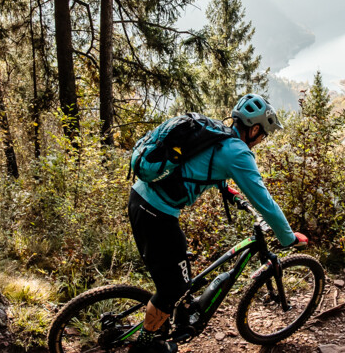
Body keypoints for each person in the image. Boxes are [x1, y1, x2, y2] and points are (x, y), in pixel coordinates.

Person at [127, 94, 307, 353]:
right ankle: (143, 346)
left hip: (141, 198)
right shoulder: (239, 153)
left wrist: (228, 190)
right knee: (174, 286)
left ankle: (172, 314)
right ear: (254, 129)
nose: (261, 140)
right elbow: (265, 202)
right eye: (263, 134)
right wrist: (288, 237)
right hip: (156, 213)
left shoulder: (219, 132)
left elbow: (203, 163)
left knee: (177, 272)